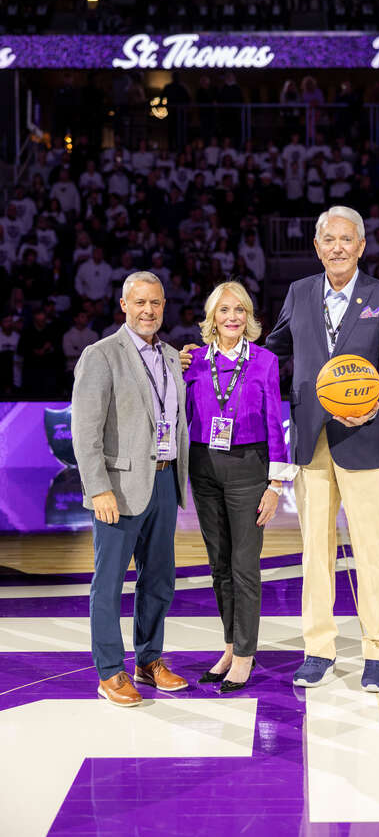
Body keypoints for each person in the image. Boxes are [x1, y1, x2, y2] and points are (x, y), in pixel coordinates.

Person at [266, 205, 379, 692]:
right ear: (317, 246)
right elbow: (274, 348)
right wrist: (218, 351)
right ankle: (318, 648)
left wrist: (371, 408)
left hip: (363, 436)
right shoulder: (299, 292)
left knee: (372, 547)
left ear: (361, 246)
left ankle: (377, 651)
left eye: (347, 239)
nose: (338, 247)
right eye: (329, 239)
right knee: (314, 551)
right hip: (311, 439)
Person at [71, 272, 190, 707]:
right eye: (139, 302)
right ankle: (109, 672)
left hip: (164, 479)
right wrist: (97, 488)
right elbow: (84, 433)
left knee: (159, 580)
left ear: (163, 306)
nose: (148, 311)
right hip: (117, 488)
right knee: (108, 584)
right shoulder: (100, 355)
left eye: (155, 303)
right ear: (123, 305)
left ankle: (149, 660)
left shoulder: (172, 357)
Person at [181, 282, 295, 692]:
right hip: (203, 466)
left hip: (249, 468)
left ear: (249, 317)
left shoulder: (264, 361)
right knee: (219, 566)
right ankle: (229, 646)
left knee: (245, 566)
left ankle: (245, 654)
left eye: (240, 310)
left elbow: (274, 423)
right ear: (211, 317)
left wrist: (276, 484)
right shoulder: (191, 361)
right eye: (224, 310)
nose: (232, 317)